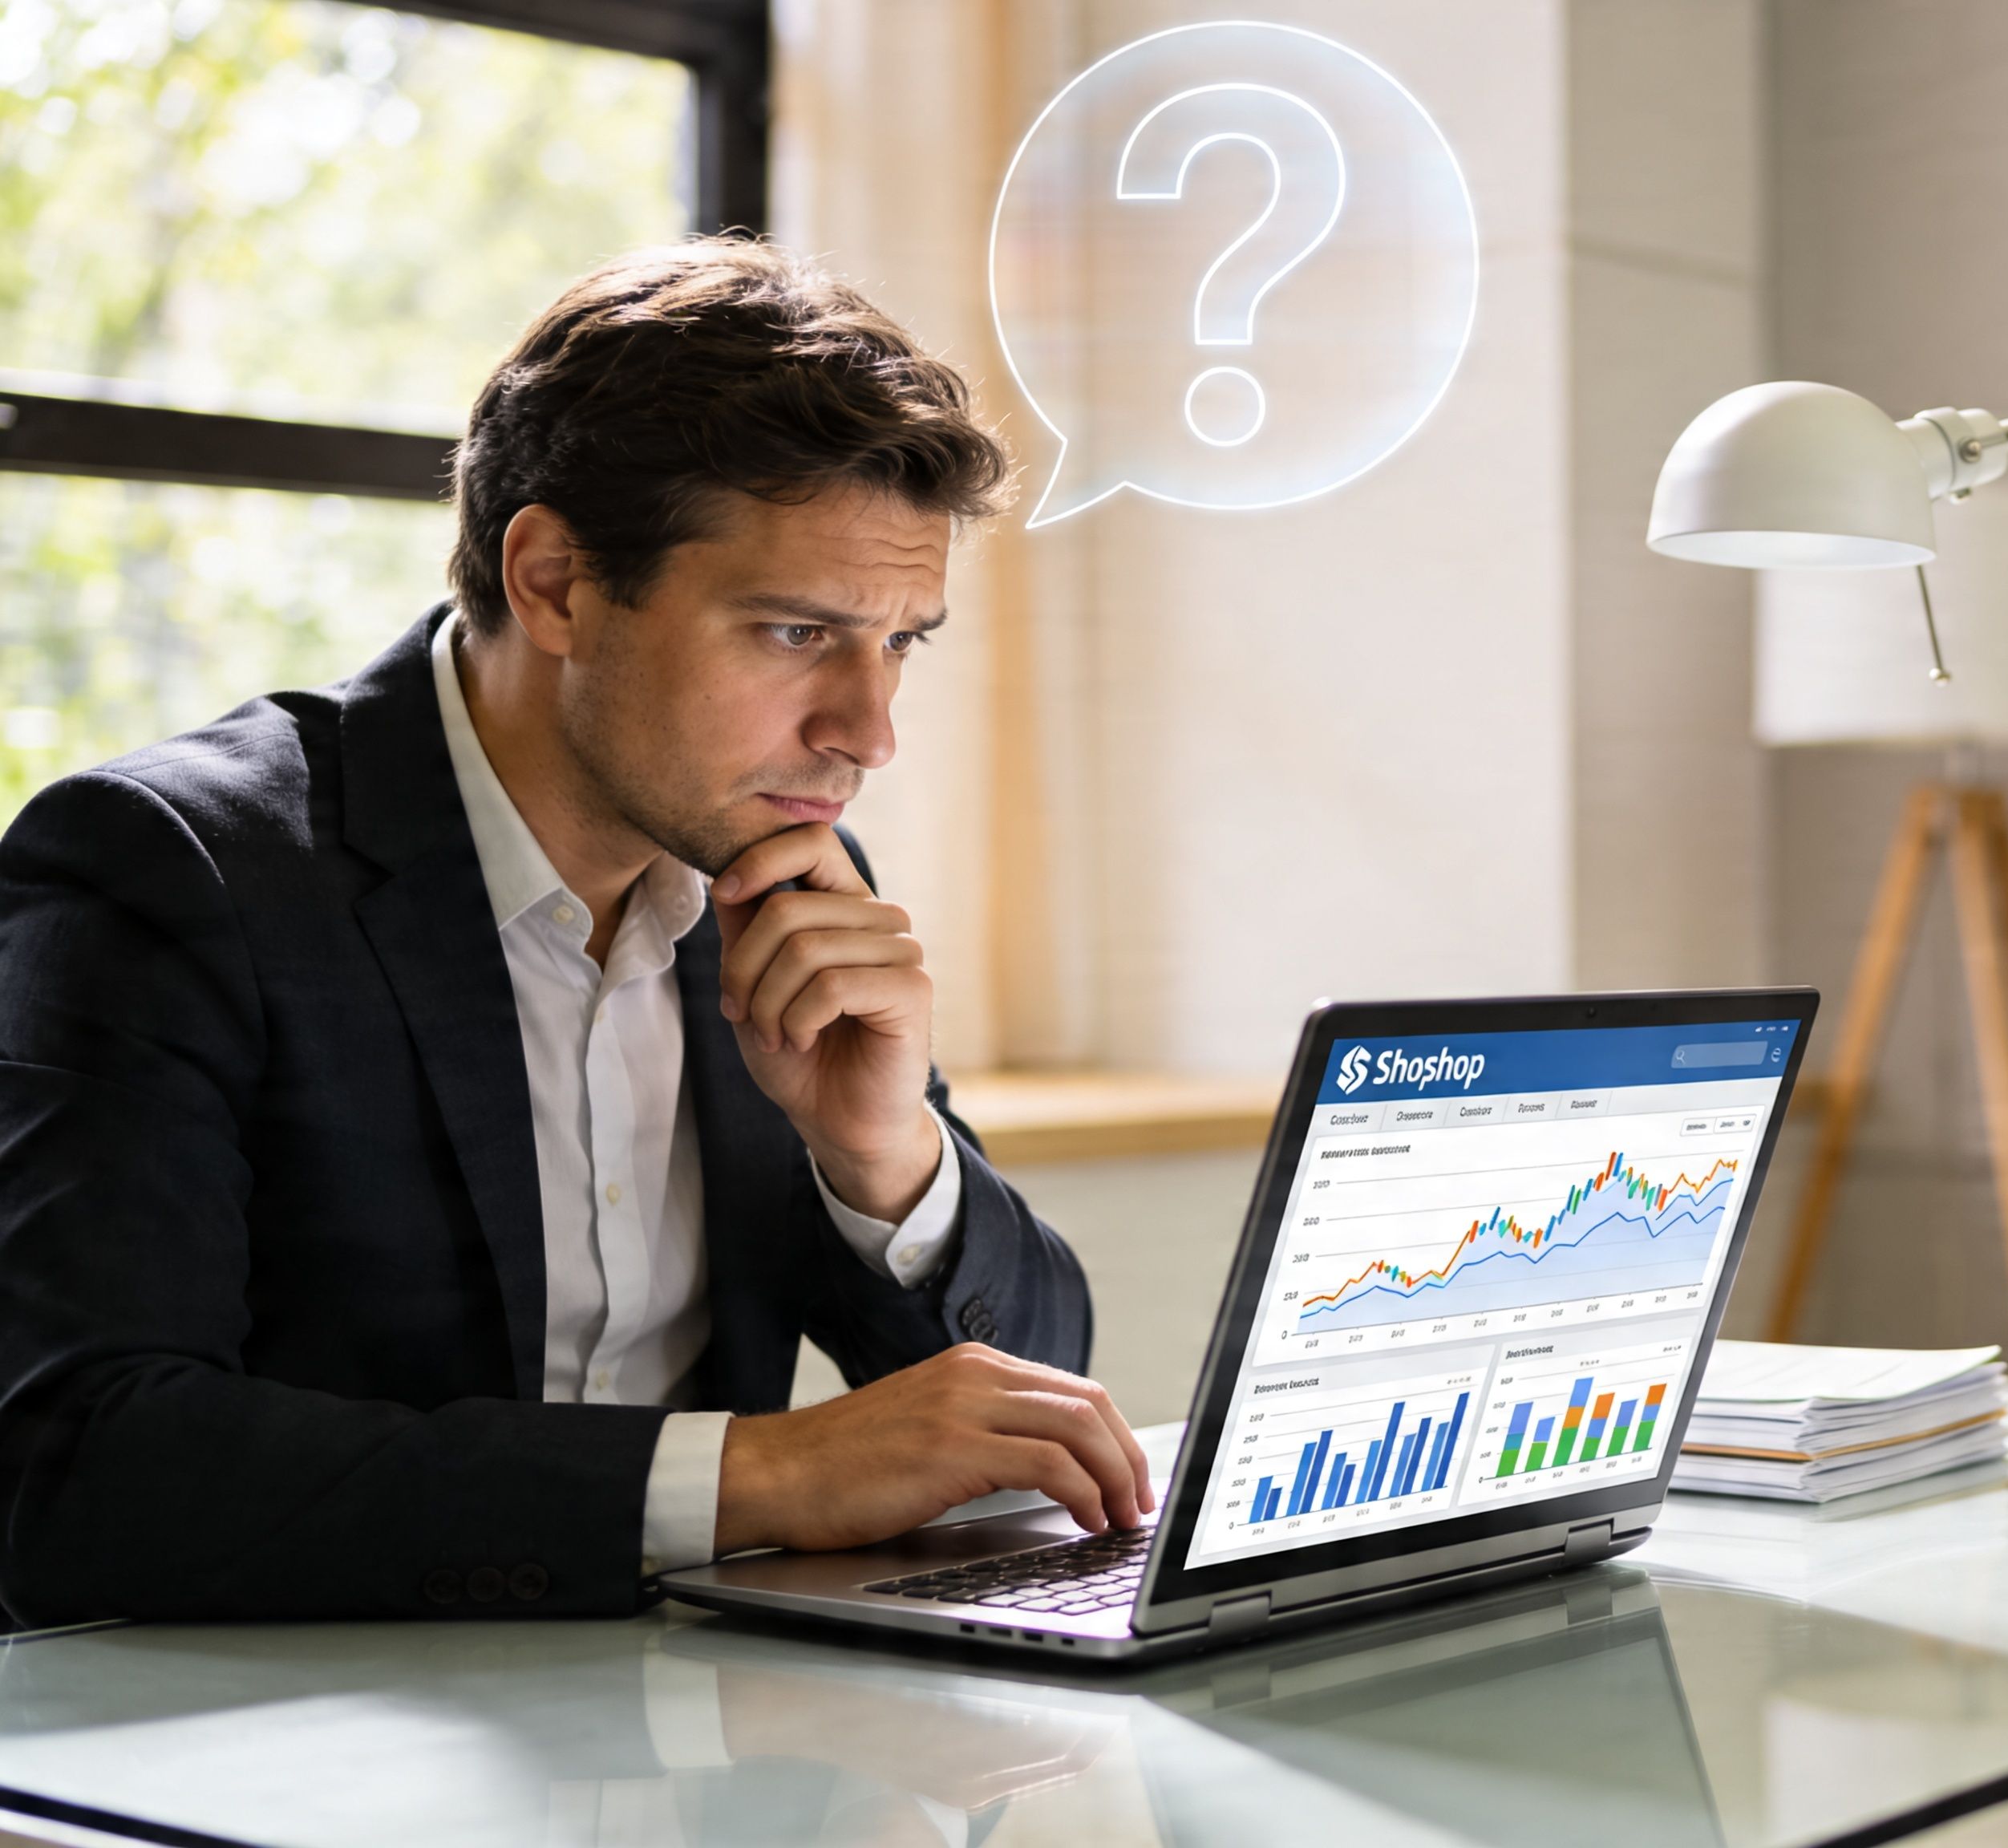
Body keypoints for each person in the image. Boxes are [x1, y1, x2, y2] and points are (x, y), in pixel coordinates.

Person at [0, 238, 1152, 1626]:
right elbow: (79, 1472)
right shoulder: (170, 872)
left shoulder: (777, 878)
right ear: (551, 581)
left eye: (902, 641)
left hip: (693, 1751)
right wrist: (755, 1477)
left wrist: (884, 1159)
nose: (870, 732)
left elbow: (1036, 1418)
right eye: (797, 633)